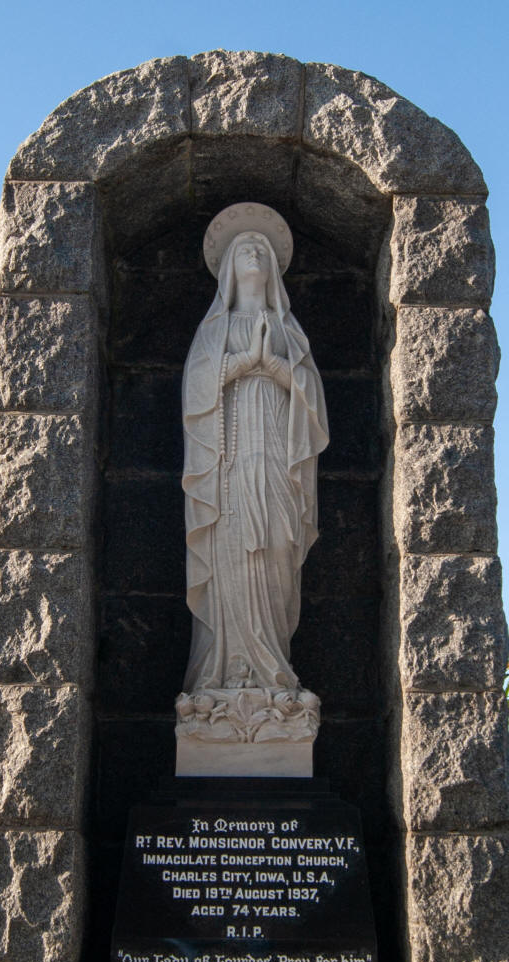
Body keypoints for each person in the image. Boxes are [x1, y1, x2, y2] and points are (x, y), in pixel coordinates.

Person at [182, 213, 329, 694]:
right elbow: (195, 391)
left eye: (262, 250)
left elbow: (312, 398)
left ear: (272, 270)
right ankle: (224, 676)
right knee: (231, 555)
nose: (254, 253)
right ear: (225, 268)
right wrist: (245, 363)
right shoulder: (212, 330)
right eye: (244, 248)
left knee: (277, 554)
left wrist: (278, 368)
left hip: (276, 462)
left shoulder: (288, 330)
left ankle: (275, 672)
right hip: (228, 467)